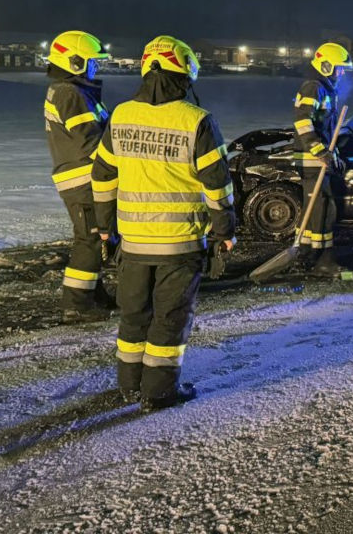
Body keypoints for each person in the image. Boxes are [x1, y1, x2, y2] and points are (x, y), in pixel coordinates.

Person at [92, 35, 236, 411]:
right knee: (169, 319)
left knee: (133, 316)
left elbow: (103, 177)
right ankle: (158, 392)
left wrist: (105, 228)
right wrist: (224, 231)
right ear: (184, 76)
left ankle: (129, 386)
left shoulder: (121, 116)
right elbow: (217, 186)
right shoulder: (197, 121)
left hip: (133, 244)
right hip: (179, 245)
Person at [43, 30, 116, 322]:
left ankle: (93, 294)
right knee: (90, 239)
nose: (96, 67)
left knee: (94, 238)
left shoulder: (73, 91)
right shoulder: (70, 94)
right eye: (91, 62)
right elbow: (90, 138)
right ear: (74, 62)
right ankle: (76, 305)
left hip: (84, 179)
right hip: (84, 180)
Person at [293, 42, 352, 275]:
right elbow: (302, 122)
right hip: (311, 159)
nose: (342, 73)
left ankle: (306, 253)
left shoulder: (325, 89)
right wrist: (319, 151)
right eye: (339, 68)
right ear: (326, 65)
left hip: (317, 158)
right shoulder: (314, 88)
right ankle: (322, 260)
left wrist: (332, 154)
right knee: (323, 208)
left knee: (318, 207)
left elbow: (327, 130)